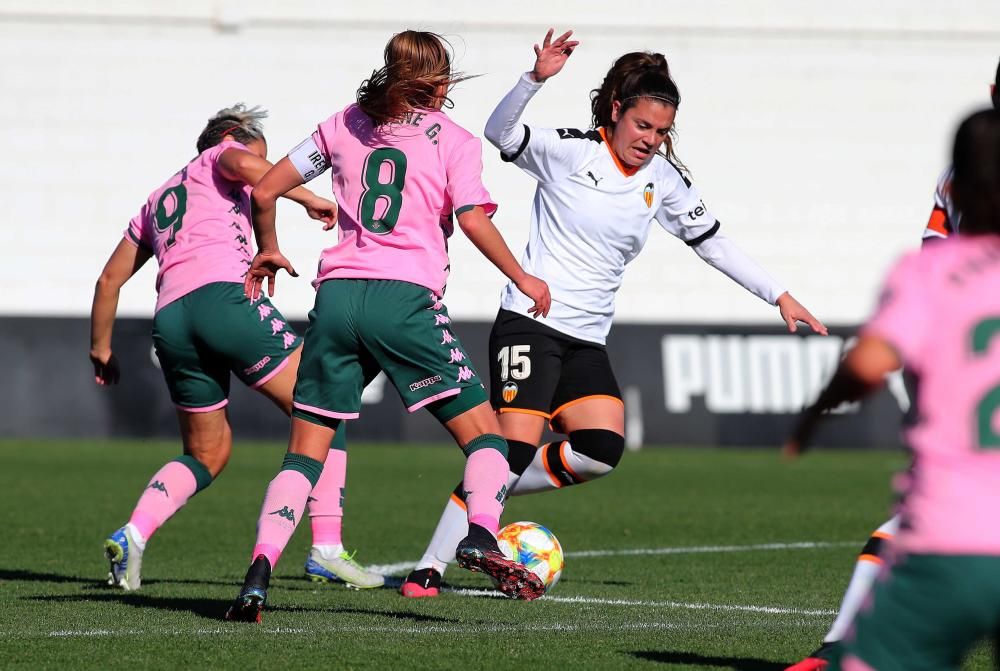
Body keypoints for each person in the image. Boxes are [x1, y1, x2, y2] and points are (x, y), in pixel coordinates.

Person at [400, 29, 827, 598]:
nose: (650, 140)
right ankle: (432, 566)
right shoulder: (570, 151)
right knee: (515, 449)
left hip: (584, 338)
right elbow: (498, 132)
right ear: (618, 111)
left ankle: (484, 492)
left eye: (662, 132)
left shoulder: (664, 181)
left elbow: (713, 243)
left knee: (599, 451)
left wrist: (779, 294)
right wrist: (534, 80)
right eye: (643, 126)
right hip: (529, 323)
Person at [223, 30, 554, 623]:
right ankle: (479, 534)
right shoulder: (453, 141)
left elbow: (267, 184)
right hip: (404, 301)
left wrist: (268, 247)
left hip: (337, 300)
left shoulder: (344, 124)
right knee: (486, 440)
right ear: (441, 82)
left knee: (304, 455)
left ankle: (258, 573)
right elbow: (473, 220)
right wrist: (522, 277)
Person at [92, 104, 382, 592]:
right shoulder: (223, 155)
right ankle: (326, 548)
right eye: (258, 155)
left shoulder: (158, 198)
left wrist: (101, 347)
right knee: (323, 403)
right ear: (230, 138)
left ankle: (133, 534)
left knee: (208, 452)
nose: (256, 177)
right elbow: (250, 168)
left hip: (172, 320)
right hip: (223, 298)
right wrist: (307, 196)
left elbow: (109, 280)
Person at [786, 58, 1000, 671]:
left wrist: (816, 414)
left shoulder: (932, 272)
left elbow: (876, 358)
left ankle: (834, 652)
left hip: (950, 538)